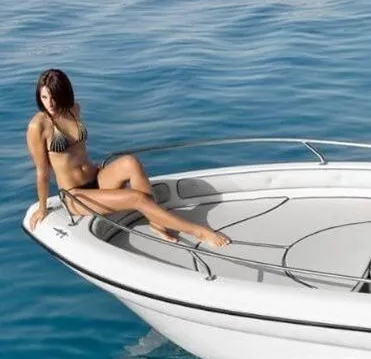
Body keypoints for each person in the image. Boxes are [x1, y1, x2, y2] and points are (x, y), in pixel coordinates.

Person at [25, 68, 230, 248]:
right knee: (137, 198)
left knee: (131, 162)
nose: (50, 103)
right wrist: (42, 208)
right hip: (75, 195)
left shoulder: (73, 109)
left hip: (96, 177)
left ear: (64, 93)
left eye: (54, 97)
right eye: (44, 97)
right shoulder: (38, 126)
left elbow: (77, 151)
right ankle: (197, 231)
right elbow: (42, 172)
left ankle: (156, 221)